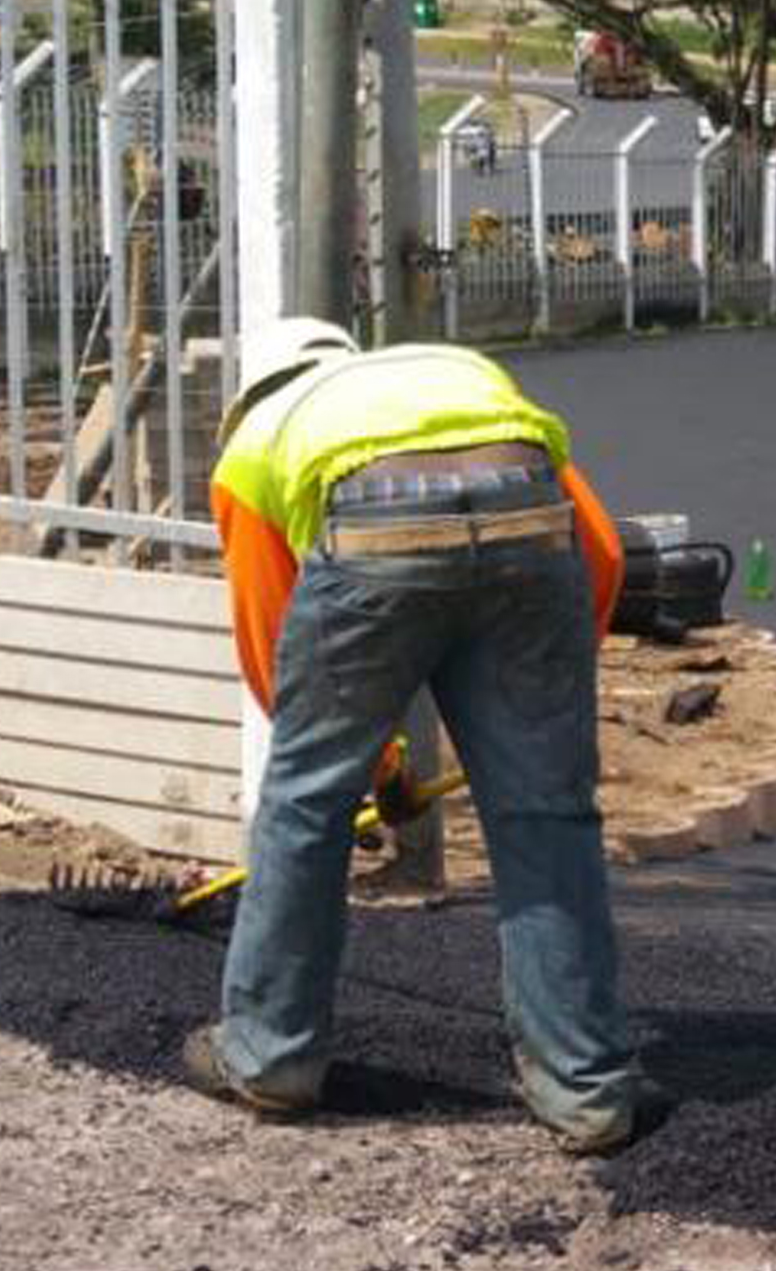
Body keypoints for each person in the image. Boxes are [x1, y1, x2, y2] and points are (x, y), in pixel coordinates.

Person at [184, 316, 645, 1155]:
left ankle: (270, 1057)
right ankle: (585, 1089)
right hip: (525, 517)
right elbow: (603, 555)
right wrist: (551, 700)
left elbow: (273, 652)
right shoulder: (455, 374)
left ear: (250, 396)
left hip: (372, 527)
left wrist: (369, 771)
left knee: (304, 810)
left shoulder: (255, 447)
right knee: (548, 816)